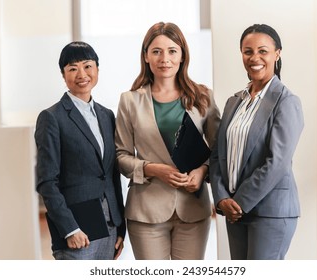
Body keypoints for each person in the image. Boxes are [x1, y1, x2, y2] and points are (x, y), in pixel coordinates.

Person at [115, 22, 220, 260]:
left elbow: (218, 150)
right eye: (156, 51)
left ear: (182, 55)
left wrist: (202, 172)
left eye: (172, 50)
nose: (165, 58)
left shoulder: (203, 97)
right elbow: (121, 157)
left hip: (193, 210)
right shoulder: (129, 101)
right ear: (146, 56)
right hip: (146, 213)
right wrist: (153, 169)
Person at [210, 24, 304, 260]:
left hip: (269, 211)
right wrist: (222, 199)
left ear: (277, 53)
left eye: (263, 51)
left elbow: (278, 162)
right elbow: (218, 154)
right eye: (248, 51)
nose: (255, 58)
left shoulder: (286, 101)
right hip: (235, 211)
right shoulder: (234, 102)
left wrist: (238, 203)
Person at [35, 41, 126, 260]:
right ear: (63, 74)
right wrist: (69, 228)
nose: (82, 74)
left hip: (109, 228)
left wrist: (120, 226)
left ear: (97, 69)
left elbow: (112, 174)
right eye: (73, 68)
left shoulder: (107, 116)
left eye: (87, 66)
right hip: (77, 229)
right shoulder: (51, 117)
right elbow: (47, 181)